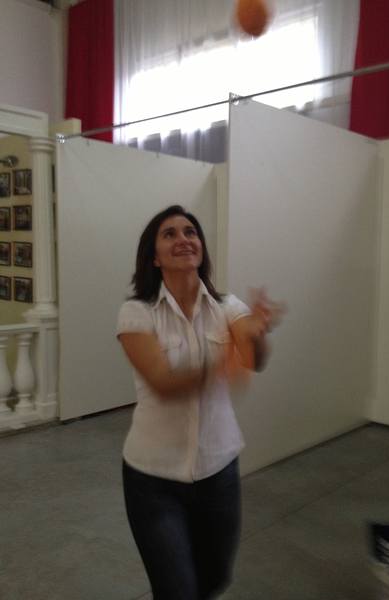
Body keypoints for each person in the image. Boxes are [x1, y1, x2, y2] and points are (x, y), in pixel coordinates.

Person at [117, 204, 283, 600]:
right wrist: (225, 358)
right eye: (170, 234)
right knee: (176, 590)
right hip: (153, 480)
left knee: (214, 579)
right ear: (154, 257)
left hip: (219, 471)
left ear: (201, 247)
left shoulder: (228, 306)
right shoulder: (136, 313)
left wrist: (257, 333)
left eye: (190, 232)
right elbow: (163, 381)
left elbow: (255, 360)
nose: (183, 239)